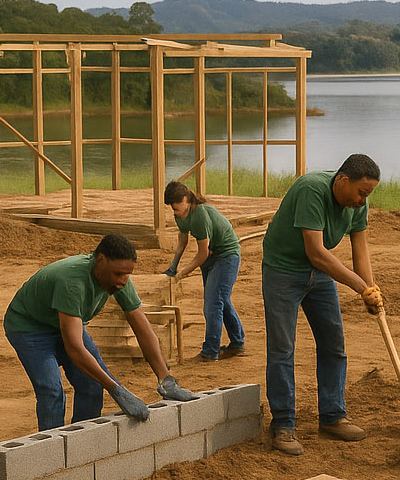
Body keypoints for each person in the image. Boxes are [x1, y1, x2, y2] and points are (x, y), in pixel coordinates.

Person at [3, 234, 197, 432]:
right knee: (51, 390)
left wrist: (165, 378)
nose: (123, 280)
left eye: (127, 274)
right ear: (101, 260)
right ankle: (51, 454)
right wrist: (116, 389)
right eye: (118, 274)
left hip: (64, 323)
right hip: (29, 327)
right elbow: (75, 349)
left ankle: (81, 445)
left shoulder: (118, 279)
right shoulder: (73, 281)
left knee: (92, 386)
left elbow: (143, 328)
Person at [261, 153, 383, 456]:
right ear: (342, 180)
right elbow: (316, 251)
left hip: (320, 274)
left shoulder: (358, 203)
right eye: (361, 192)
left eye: (368, 194)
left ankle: (332, 416)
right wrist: (357, 286)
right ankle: (284, 424)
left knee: (333, 345)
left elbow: (361, 249)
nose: (362, 200)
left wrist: (370, 290)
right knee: (282, 349)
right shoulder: (311, 189)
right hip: (283, 270)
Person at [163, 181, 244, 362]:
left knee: (212, 304)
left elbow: (202, 253)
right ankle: (238, 343)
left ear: (186, 199)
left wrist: (183, 272)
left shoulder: (199, 214)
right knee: (221, 300)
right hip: (212, 256)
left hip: (226, 256)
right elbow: (182, 241)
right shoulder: (181, 214)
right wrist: (173, 266)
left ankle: (210, 351)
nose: (173, 210)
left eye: (176, 206)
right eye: (172, 208)